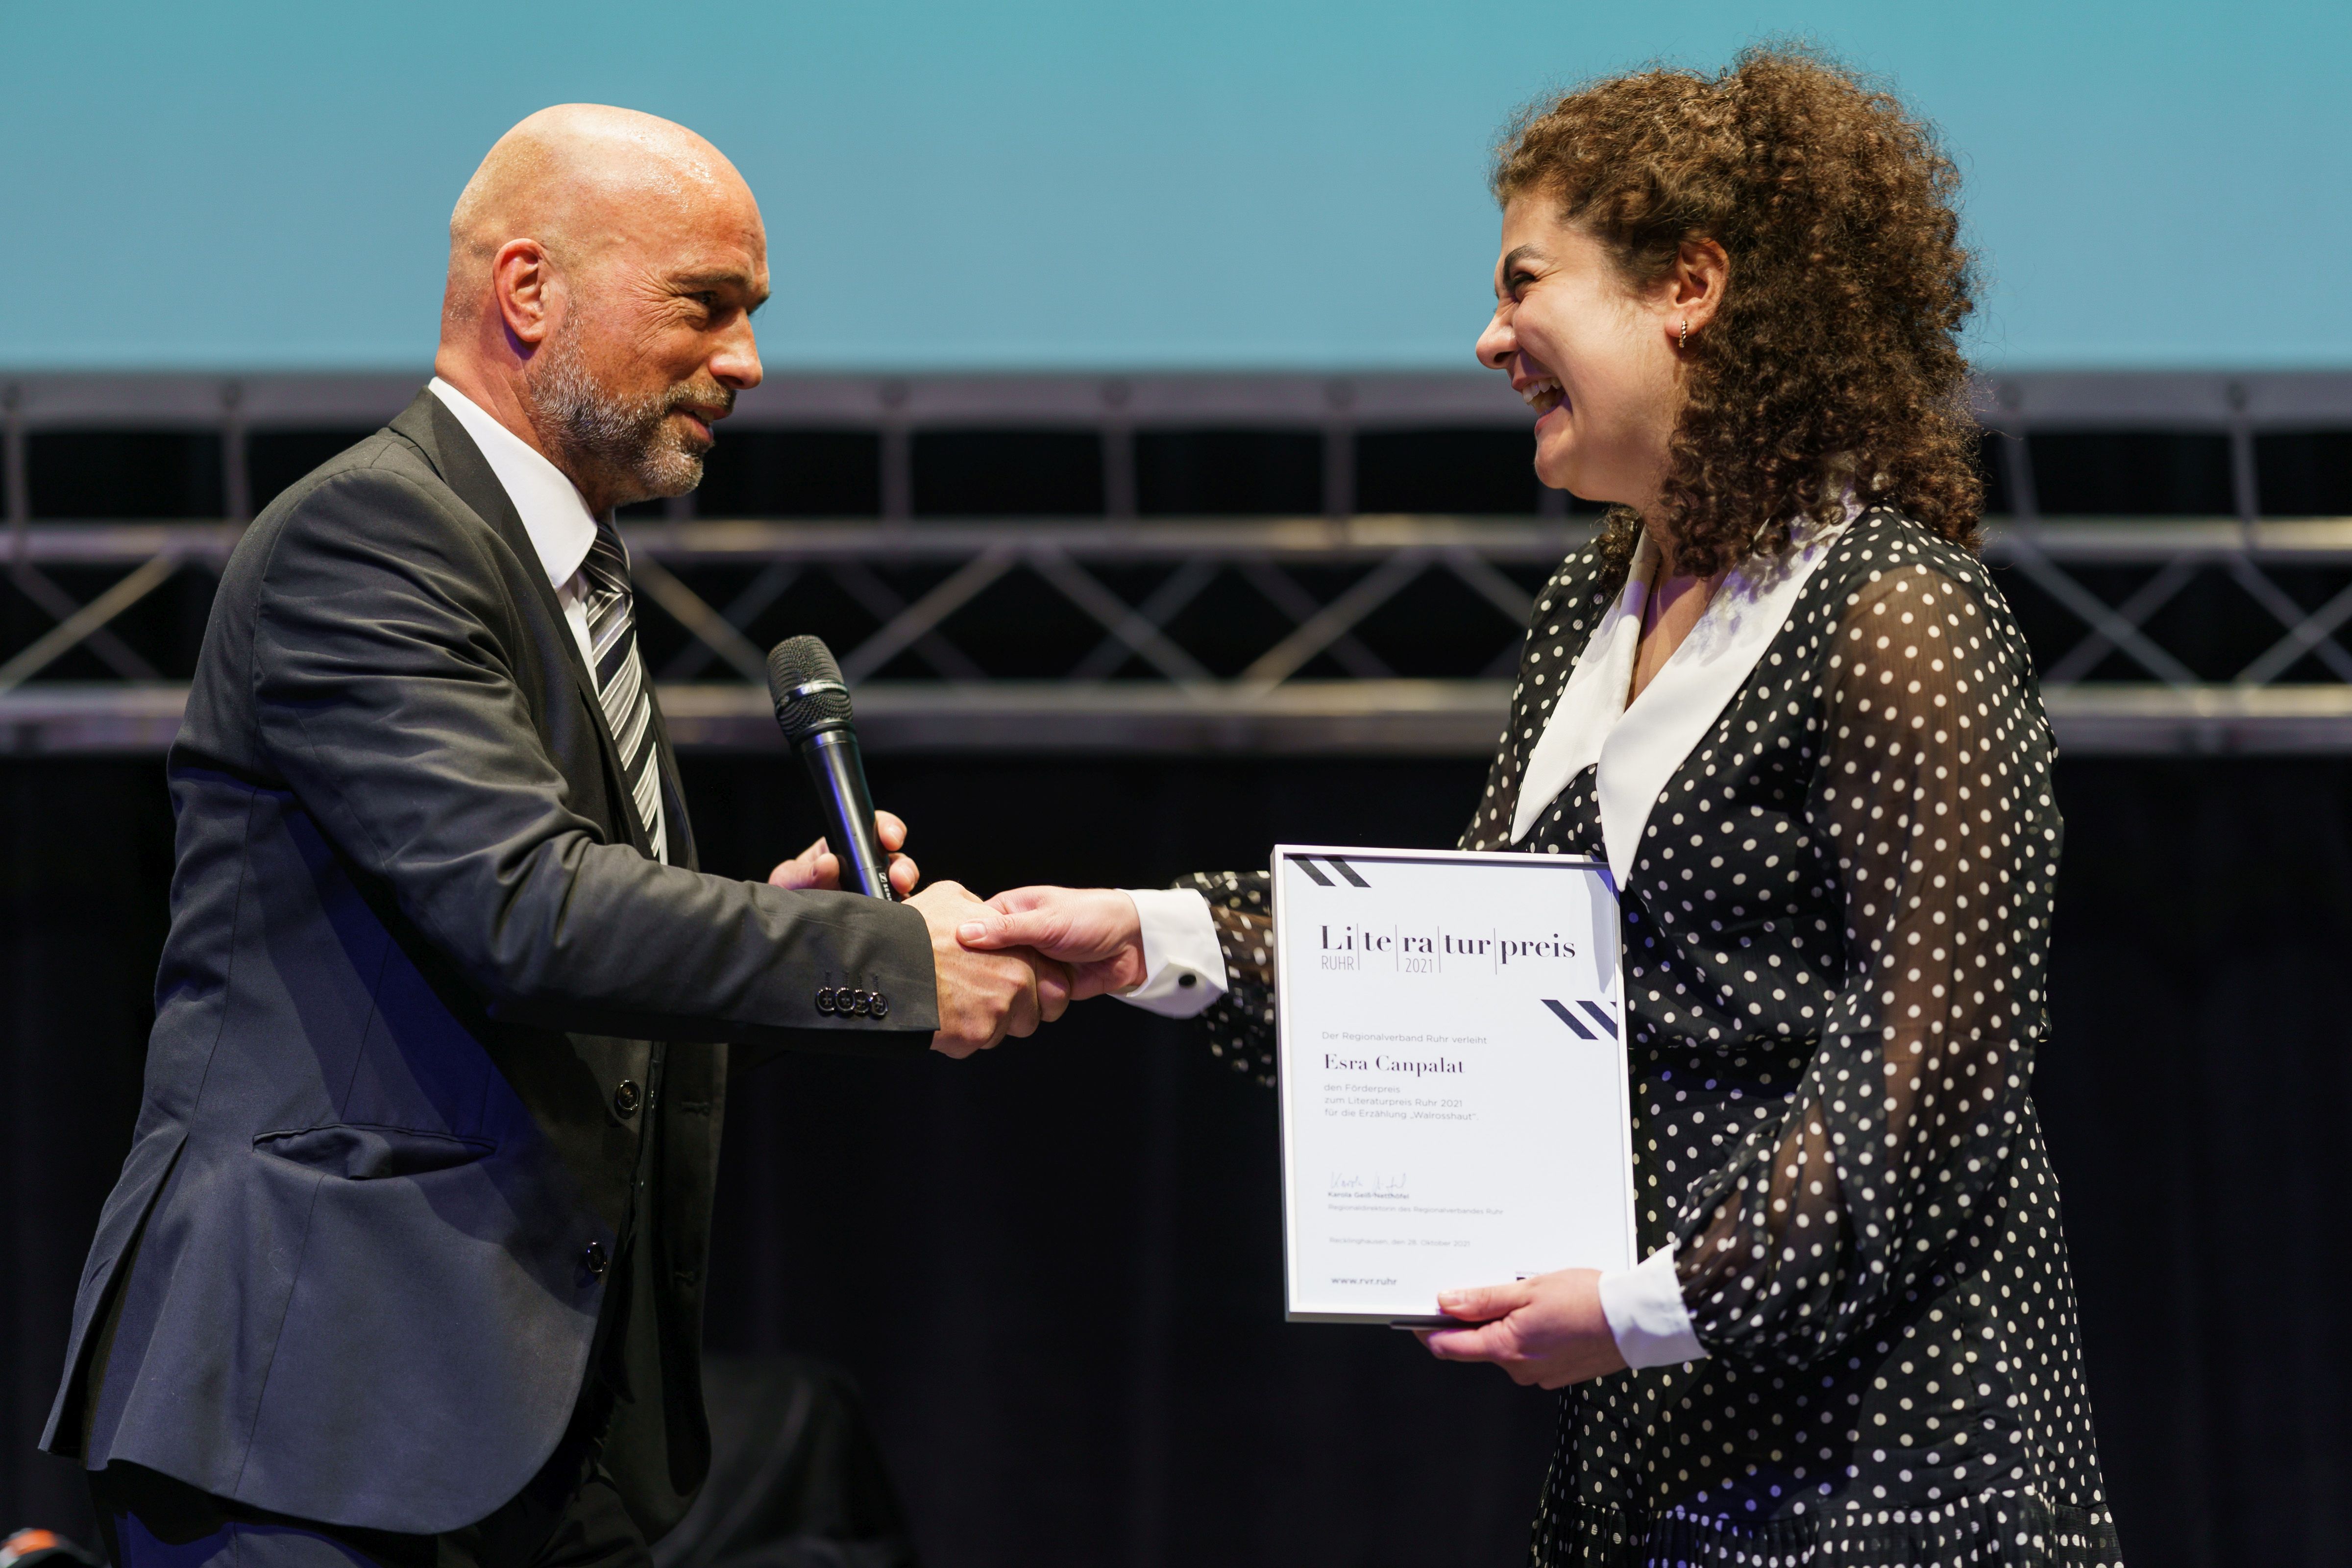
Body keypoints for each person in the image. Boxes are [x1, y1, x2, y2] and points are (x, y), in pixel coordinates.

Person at [959, 49, 2123, 1568]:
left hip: (1890, 1481)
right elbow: (1469, 972)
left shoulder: (1896, 613)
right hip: (1649, 1466)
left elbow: (1939, 1062)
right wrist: (1150, 940)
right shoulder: (1595, 597)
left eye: (1527, 283)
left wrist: (1653, 1309)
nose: (1492, 335)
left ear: (1688, 286)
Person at [42, 105, 1063, 1568]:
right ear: (531, 292)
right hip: (318, 1427)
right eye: (704, 307)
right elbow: (526, 914)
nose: (747, 362)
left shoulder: (565, 569)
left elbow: (552, 968)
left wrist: (794, 941)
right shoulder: (374, 539)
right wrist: (888, 960)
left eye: (752, 315)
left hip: (524, 1437)